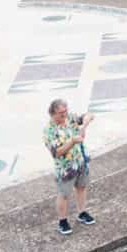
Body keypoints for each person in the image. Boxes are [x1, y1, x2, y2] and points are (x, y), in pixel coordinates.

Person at [43, 98, 96, 235]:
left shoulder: (70, 118)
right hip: (66, 167)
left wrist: (85, 122)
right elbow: (56, 152)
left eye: (65, 111)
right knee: (64, 194)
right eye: (61, 113)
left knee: (82, 187)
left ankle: (82, 212)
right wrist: (72, 141)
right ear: (53, 113)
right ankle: (62, 221)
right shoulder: (49, 131)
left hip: (80, 161)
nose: (64, 115)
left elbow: (88, 115)